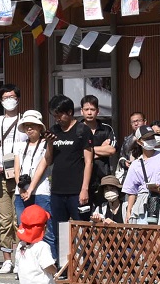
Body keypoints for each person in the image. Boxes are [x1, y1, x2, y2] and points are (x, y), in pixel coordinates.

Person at [47, 95, 94, 270]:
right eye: (54, 115)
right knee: (61, 230)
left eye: (60, 115)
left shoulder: (82, 130)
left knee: (83, 228)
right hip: (58, 189)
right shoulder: (54, 131)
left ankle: (87, 266)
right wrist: (50, 144)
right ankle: (65, 266)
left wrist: (84, 189)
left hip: (77, 189)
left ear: (69, 112)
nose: (57, 119)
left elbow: (89, 161)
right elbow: (49, 160)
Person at [0, 84, 25, 274]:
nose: (9, 100)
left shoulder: (26, 120)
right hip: (1, 175)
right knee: (5, 219)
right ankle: (7, 258)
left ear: (18, 99)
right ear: (1, 101)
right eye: (5, 97)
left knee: (20, 218)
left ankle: (20, 256)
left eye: (12, 96)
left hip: (22, 176)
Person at [13, 110, 55, 250]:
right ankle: (26, 260)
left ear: (40, 127)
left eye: (32, 125)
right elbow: (16, 168)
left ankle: (51, 261)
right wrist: (21, 187)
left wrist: (30, 189)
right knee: (23, 226)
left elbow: (42, 167)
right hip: (21, 192)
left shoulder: (45, 144)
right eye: (26, 126)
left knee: (45, 228)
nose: (29, 128)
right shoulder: (19, 145)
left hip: (40, 191)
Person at [122, 125, 160, 226]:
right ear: (139, 142)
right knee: (143, 237)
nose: (150, 140)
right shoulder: (135, 164)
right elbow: (131, 190)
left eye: (152, 137)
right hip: (141, 203)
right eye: (147, 138)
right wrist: (129, 210)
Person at [80, 95, 118, 205]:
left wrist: (87, 151)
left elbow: (111, 150)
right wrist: (102, 149)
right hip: (81, 178)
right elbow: (76, 153)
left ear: (98, 111)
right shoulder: (77, 129)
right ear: (82, 111)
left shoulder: (106, 128)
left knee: (103, 212)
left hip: (103, 177)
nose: (89, 112)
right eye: (86, 109)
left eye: (92, 109)